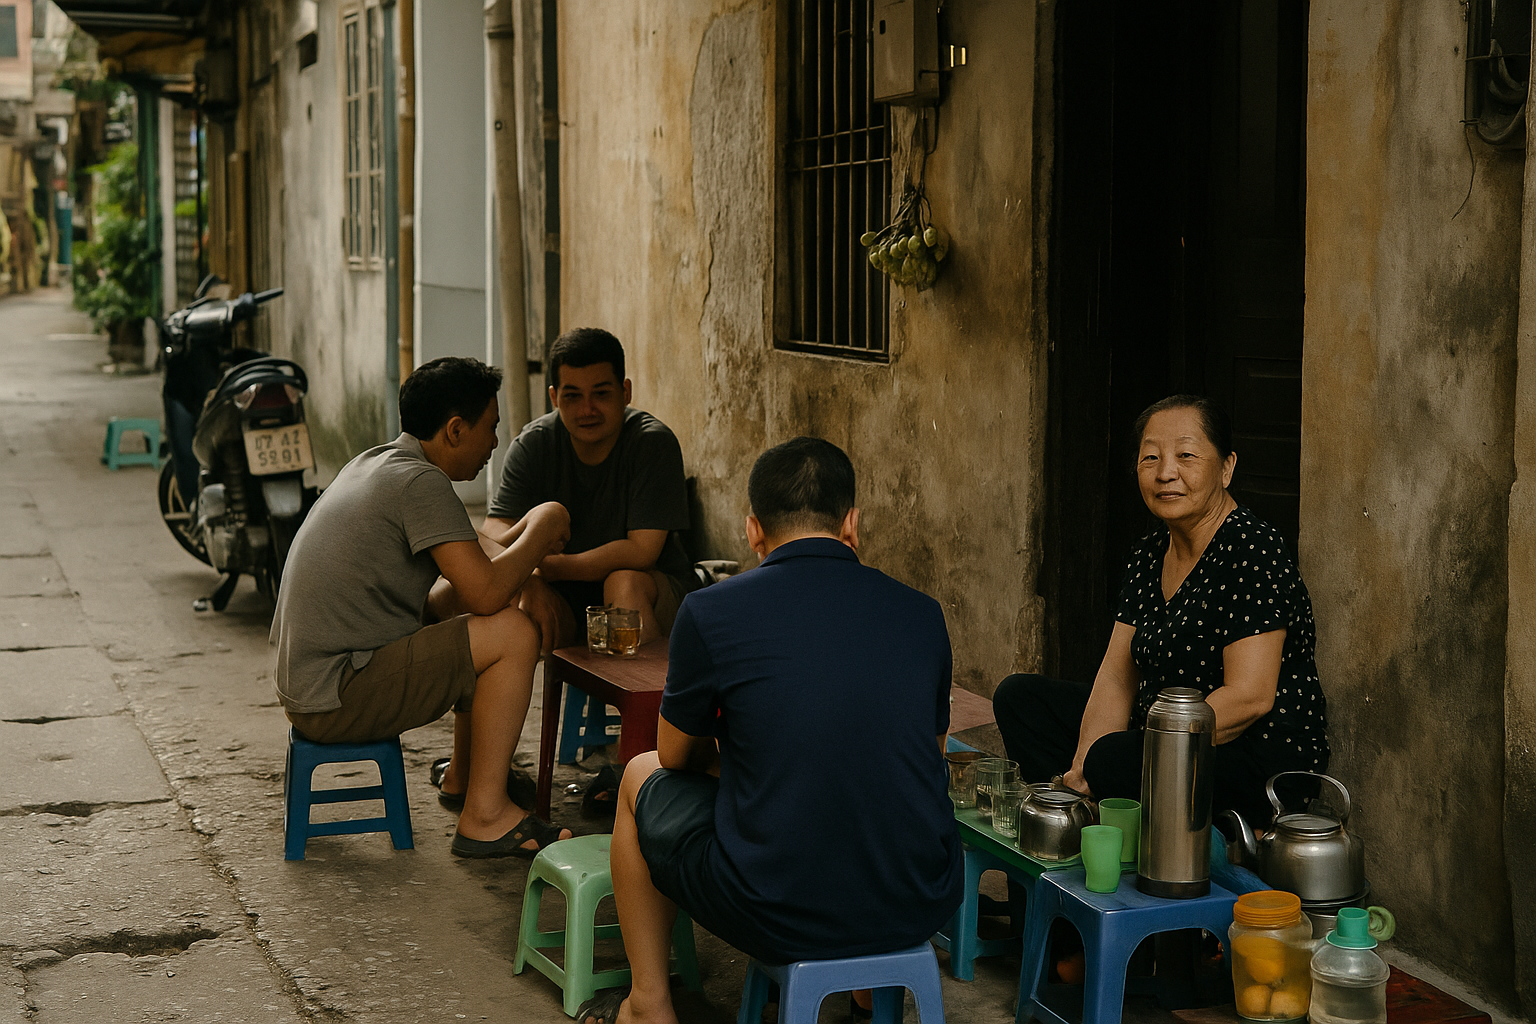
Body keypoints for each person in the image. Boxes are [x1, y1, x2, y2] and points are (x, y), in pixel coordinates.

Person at [575, 437, 963, 1024]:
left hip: (778, 909)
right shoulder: (921, 612)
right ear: (851, 523)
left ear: (754, 530)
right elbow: (925, 762)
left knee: (636, 774)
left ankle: (647, 1005)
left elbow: (676, 755)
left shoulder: (711, 612)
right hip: (920, 898)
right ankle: (866, 990)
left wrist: (739, 757)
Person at [271, 356, 574, 858]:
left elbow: (475, 554)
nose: (495, 443)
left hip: (314, 684)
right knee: (513, 632)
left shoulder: (381, 462)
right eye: (490, 428)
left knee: (458, 605)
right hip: (337, 694)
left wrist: (529, 562)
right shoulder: (420, 483)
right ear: (456, 430)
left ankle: (464, 777)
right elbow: (488, 592)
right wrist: (545, 524)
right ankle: (485, 816)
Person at [993, 395, 1328, 824]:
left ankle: (1117, 820)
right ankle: (1080, 823)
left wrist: (1128, 751)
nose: (1166, 472)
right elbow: (1117, 676)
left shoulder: (1252, 549)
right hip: (1162, 730)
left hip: (1251, 753)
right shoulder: (1150, 553)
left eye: (1186, 455)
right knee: (1021, 699)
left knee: (1114, 759)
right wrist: (1080, 770)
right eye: (1150, 457)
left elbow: (1250, 698)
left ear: (1226, 468)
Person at [478, 327, 695, 653]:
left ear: (625, 392)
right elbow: (494, 532)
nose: (587, 409)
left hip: (648, 590)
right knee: (500, 609)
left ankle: (645, 701)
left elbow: (641, 551)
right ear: (554, 397)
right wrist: (530, 579)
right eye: (572, 396)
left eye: (601, 393)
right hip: (564, 597)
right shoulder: (534, 443)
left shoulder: (651, 442)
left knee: (622, 584)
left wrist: (547, 566)